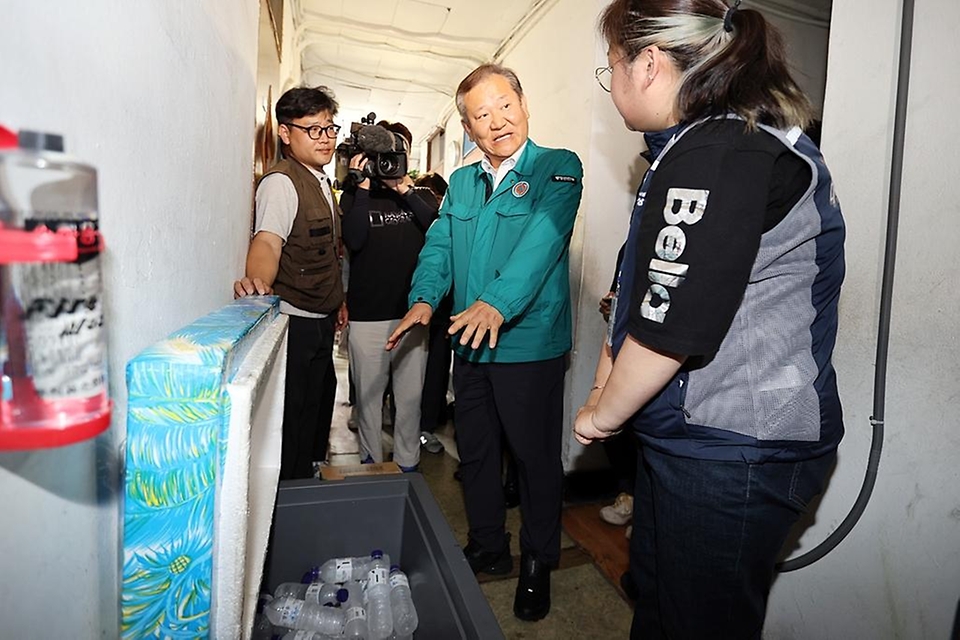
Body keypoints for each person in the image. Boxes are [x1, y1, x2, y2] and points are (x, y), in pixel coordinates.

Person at [577, 1, 846, 637]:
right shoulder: (688, 150)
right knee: (662, 605)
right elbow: (643, 290)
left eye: (609, 66)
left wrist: (601, 416)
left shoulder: (721, 151)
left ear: (647, 64)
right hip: (694, 438)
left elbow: (672, 326)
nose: (610, 81)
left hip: (735, 446)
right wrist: (603, 385)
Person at [387, 63, 583, 621]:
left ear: (523, 104)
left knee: (534, 459)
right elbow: (441, 246)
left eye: (505, 106)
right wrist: (425, 298)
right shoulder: (465, 183)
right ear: (469, 130)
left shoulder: (557, 168)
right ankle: (489, 546)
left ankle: (539, 560)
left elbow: (542, 244)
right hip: (468, 344)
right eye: (481, 115)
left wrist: (496, 302)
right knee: (474, 454)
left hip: (527, 346)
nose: (497, 122)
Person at [234, 86, 348, 481]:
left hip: (321, 315)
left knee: (318, 406)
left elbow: (327, 252)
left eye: (330, 128)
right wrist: (259, 285)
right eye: (313, 130)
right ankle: (291, 490)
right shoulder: (282, 182)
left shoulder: (319, 180)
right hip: (294, 320)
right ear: (285, 133)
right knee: (294, 415)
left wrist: (339, 300)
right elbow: (267, 240)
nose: (326, 138)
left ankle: (309, 474)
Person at [339, 121, 439, 472]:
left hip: (412, 315)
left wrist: (406, 189)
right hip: (368, 317)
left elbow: (438, 228)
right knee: (368, 398)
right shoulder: (357, 196)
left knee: (410, 400)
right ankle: (371, 461)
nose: (388, 164)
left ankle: (408, 463)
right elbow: (354, 240)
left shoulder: (420, 196)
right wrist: (362, 185)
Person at [414, 172, 452, 455]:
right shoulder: (409, 215)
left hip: (446, 310)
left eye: (437, 196)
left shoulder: (442, 218)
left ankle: (429, 421)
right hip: (418, 304)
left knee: (437, 368)